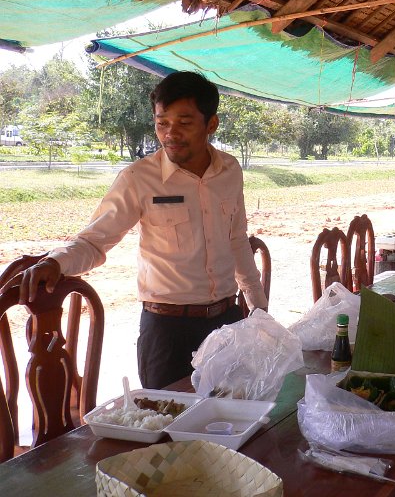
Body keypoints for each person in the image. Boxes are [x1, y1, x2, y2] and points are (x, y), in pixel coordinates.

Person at [11, 71, 267, 390]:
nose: (171, 133)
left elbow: (237, 240)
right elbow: (93, 241)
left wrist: (258, 309)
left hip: (226, 321)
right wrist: (55, 262)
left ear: (211, 124)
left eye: (184, 123)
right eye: (162, 123)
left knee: (229, 421)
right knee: (166, 431)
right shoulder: (139, 179)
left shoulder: (229, 171)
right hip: (167, 331)